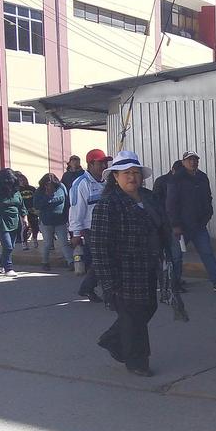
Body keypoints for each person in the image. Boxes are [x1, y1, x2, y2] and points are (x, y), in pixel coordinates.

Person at [90, 151, 171, 377]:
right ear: (115, 177)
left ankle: (113, 339)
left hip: (147, 268)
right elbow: (99, 247)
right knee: (134, 317)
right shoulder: (108, 205)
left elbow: (161, 225)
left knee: (147, 308)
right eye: (126, 173)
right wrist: (109, 282)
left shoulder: (148, 197)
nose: (132, 178)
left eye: (135, 173)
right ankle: (137, 361)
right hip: (123, 272)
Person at [166, 150, 216, 292]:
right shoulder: (177, 178)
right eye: (190, 160)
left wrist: (207, 214)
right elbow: (171, 203)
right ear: (183, 162)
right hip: (181, 226)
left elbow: (208, 198)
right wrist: (175, 224)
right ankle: (174, 284)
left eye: (195, 159)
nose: (193, 162)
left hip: (198, 225)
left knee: (207, 252)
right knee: (177, 257)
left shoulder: (202, 177)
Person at [69, 148, 112, 302]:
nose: (104, 166)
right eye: (100, 163)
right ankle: (107, 293)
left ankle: (87, 288)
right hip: (91, 230)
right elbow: (76, 210)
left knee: (104, 261)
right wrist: (76, 234)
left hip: (107, 227)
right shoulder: (81, 184)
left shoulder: (107, 181)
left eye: (105, 163)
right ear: (90, 164)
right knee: (102, 261)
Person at [0, 168, 28, 277]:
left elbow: (22, 206)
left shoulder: (16, 192)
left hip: (14, 221)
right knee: (7, 246)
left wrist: (25, 218)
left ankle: (2, 263)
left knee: (11, 246)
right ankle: (8, 267)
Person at [32, 173, 74, 270]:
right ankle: (45, 262)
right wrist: (47, 196)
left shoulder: (61, 187)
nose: (49, 186)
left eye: (51, 184)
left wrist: (69, 217)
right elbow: (37, 205)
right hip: (46, 222)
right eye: (46, 184)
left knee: (64, 242)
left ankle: (70, 262)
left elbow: (67, 202)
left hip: (61, 221)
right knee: (47, 243)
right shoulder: (40, 191)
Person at [153, 161, 184, 289]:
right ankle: (171, 282)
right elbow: (157, 202)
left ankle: (174, 280)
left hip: (173, 222)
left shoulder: (180, 182)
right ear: (173, 170)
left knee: (175, 255)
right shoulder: (164, 182)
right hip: (165, 223)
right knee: (173, 255)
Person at [15, 172, 39, 250]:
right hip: (23, 211)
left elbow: (36, 198)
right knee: (25, 226)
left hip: (33, 210)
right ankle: (24, 242)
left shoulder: (31, 188)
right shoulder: (17, 190)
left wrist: (35, 208)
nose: (22, 182)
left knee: (35, 226)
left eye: (23, 180)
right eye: (20, 180)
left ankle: (34, 238)